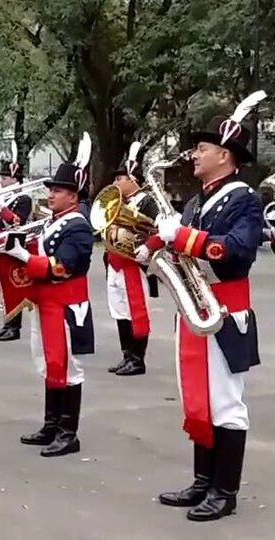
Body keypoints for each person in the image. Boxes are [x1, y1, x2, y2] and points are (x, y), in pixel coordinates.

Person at [140, 97, 264, 521]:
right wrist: (150, 246)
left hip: (226, 312)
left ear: (224, 154)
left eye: (203, 148)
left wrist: (184, 237)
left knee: (227, 404)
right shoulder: (197, 202)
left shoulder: (242, 199)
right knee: (200, 400)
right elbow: (180, 242)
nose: (195, 154)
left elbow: (236, 251)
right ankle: (202, 481)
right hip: (195, 307)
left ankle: (224, 491)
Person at [2, 134, 95, 458]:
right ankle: (51, 424)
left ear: (73, 195)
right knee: (48, 362)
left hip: (66, 304)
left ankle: (68, 433)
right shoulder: (54, 222)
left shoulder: (78, 226)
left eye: (57, 190)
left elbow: (63, 267)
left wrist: (26, 259)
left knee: (67, 366)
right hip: (45, 302)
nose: (51, 194)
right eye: (52, 189)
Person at [102, 143, 159, 376]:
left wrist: (146, 248)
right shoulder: (118, 203)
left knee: (136, 311)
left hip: (134, 264)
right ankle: (127, 355)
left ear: (132, 179)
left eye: (120, 179)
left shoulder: (147, 202)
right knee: (119, 312)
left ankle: (138, 358)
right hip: (115, 262)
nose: (116, 183)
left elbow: (158, 231)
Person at [0, 151, 33, 342]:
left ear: (15, 178)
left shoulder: (23, 199)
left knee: (13, 287)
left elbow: (17, 222)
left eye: (5, 177)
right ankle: (8, 323)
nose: (1, 181)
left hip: (14, 249)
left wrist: (2, 208)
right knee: (2, 288)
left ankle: (14, 327)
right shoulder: (3, 197)